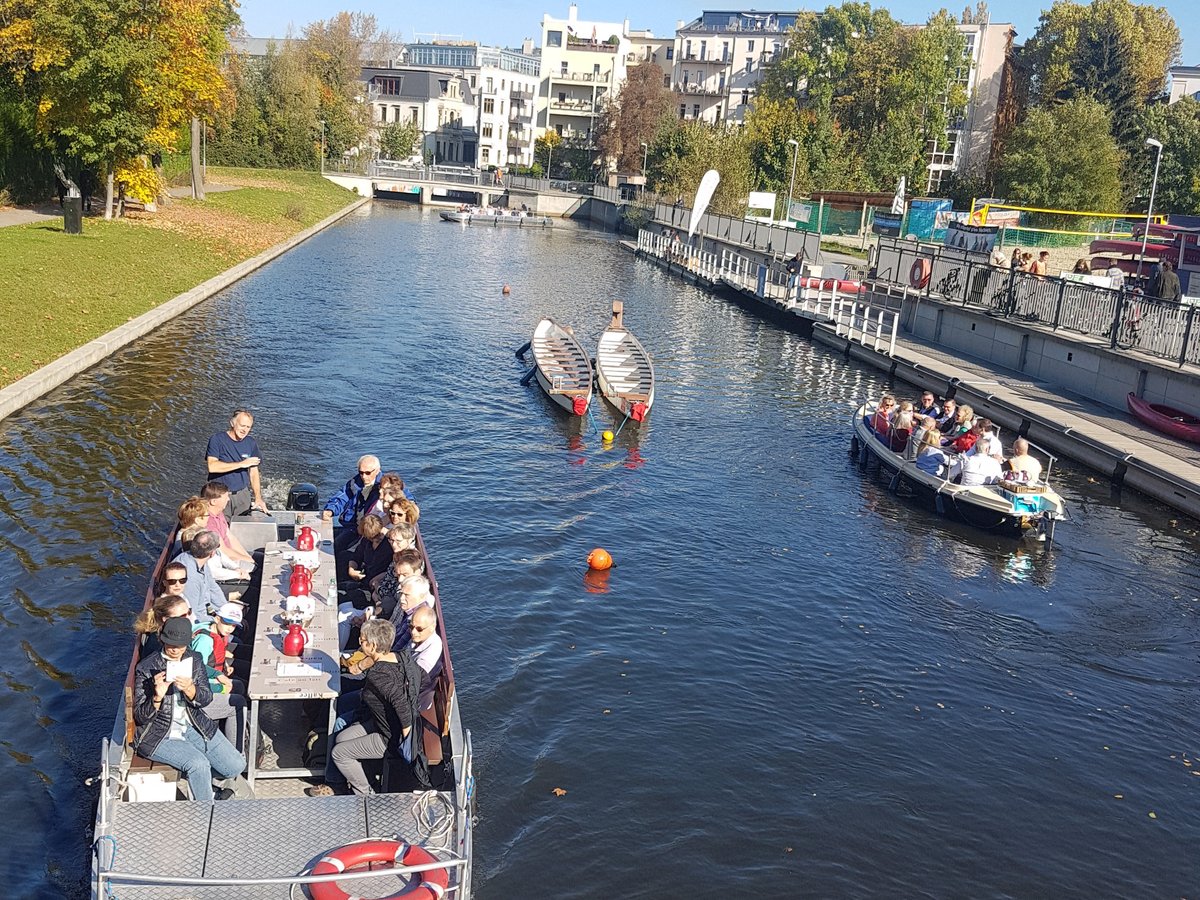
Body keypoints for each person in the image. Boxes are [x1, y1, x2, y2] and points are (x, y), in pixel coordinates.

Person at [132, 617, 250, 802]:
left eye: (180, 645)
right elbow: (140, 717)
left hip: (193, 725)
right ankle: (206, 811)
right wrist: (157, 697)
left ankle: (203, 783)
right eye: (170, 644)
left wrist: (190, 690)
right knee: (198, 764)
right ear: (162, 640)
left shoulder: (194, 659)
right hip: (159, 734)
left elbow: (205, 699)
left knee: (235, 765)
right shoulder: (147, 668)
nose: (174, 649)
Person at [307, 619, 421, 797]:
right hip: (378, 723)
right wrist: (360, 665)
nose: (359, 644)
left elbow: (402, 708)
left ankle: (365, 795)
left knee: (339, 754)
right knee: (342, 736)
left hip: (389, 737)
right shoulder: (399, 656)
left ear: (373, 645)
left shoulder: (380, 676)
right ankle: (362, 780)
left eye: (362, 641)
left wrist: (407, 746)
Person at [190, 604, 248, 751]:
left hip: (213, 681)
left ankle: (239, 730)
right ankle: (236, 752)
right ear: (217, 618)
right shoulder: (204, 641)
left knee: (240, 686)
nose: (229, 628)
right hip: (201, 692)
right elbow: (197, 673)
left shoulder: (218, 633)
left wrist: (224, 668)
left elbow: (212, 661)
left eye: (233, 626)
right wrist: (221, 687)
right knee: (238, 702)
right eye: (226, 623)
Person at [205, 410, 265, 519]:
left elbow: (254, 472)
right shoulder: (217, 440)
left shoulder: (251, 443)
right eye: (242, 425)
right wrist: (241, 464)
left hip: (242, 496)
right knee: (218, 531)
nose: (244, 430)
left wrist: (258, 497)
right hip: (218, 495)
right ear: (232, 423)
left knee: (242, 528)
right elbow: (212, 466)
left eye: (248, 427)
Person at [202, 483, 255, 578]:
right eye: (225, 497)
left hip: (233, 554)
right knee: (257, 570)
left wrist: (248, 557)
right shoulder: (209, 522)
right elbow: (224, 551)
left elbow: (230, 537)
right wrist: (248, 560)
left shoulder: (219, 513)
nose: (228, 499)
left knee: (261, 557)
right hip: (227, 561)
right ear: (214, 501)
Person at [175, 531, 226, 618]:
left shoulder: (200, 561)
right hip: (199, 620)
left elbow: (213, 587)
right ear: (212, 553)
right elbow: (194, 614)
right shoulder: (190, 578)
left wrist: (226, 609)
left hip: (208, 609)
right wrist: (217, 621)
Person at [408, 605, 443, 711]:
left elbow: (411, 682)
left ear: (432, 627)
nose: (413, 632)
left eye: (419, 629)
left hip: (410, 704)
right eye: (411, 627)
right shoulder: (420, 638)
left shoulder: (429, 655)